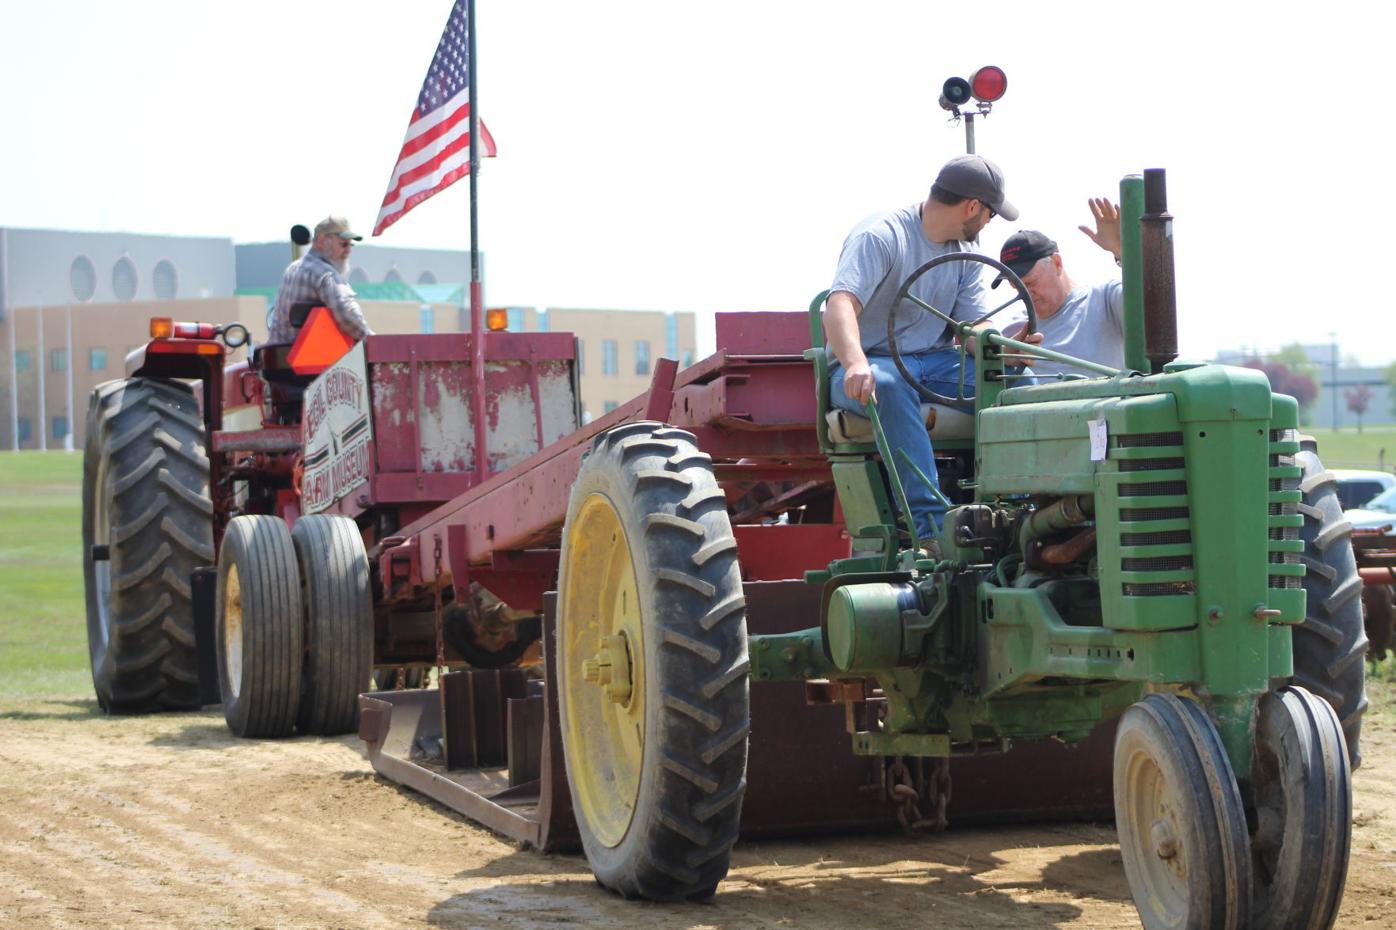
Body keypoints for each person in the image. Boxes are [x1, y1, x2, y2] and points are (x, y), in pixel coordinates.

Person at [825, 154, 1029, 543]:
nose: (988, 223)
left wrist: (1001, 350)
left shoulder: (965, 250)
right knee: (886, 385)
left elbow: (973, 328)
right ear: (972, 207)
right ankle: (934, 530)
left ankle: (1022, 510)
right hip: (871, 366)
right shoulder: (882, 235)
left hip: (933, 363)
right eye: (990, 214)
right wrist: (854, 364)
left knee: (1019, 382)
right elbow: (839, 306)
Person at [999, 198, 1124, 379]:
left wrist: (1123, 251)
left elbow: (1153, 308)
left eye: (1030, 282)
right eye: (1017, 287)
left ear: (1057, 263)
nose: (1025, 294)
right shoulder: (1014, 332)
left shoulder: (1106, 300)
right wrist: (1004, 361)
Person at [268, 215, 374, 345]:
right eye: (343, 244)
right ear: (321, 240)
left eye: (350, 245)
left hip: (279, 356)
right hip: (312, 359)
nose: (348, 250)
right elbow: (348, 317)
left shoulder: (292, 268)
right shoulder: (324, 274)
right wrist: (373, 342)